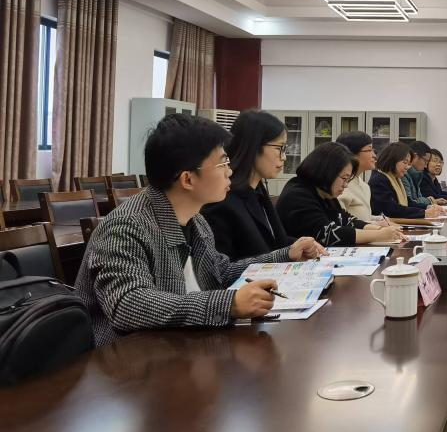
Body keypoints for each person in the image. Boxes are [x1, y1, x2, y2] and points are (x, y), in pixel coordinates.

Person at [74, 114, 324, 347]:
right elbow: (128, 305)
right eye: (222, 162)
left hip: (179, 348)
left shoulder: (196, 221)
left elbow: (220, 272)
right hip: (127, 362)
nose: (230, 170)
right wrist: (228, 304)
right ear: (188, 179)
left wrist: (285, 255)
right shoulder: (125, 227)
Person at [202, 110, 295, 261]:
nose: (283, 157)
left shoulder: (258, 190)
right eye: (279, 148)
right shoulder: (222, 200)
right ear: (254, 146)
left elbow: (276, 241)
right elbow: (223, 268)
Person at [276, 142, 404, 245]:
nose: (346, 185)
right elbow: (329, 234)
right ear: (327, 172)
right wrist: (379, 234)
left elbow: (345, 220)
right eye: (344, 178)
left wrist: (381, 230)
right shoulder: (298, 195)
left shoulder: (324, 193)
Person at [369, 142, 446, 219]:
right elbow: (392, 209)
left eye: (409, 164)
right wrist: (425, 213)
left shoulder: (396, 179)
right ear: (392, 160)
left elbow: (408, 203)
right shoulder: (379, 180)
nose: (408, 167)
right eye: (405, 162)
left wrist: (429, 207)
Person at [336, 131, 376, 221]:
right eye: (369, 150)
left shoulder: (364, 185)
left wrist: (380, 221)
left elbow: (363, 218)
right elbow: (341, 222)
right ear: (351, 154)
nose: (374, 155)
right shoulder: (340, 187)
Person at [402, 140, 444, 206]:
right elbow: (409, 203)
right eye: (425, 161)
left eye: (441, 162)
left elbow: (419, 199)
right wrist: (429, 201)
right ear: (415, 157)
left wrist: (430, 200)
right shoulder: (403, 175)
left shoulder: (416, 175)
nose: (426, 166)